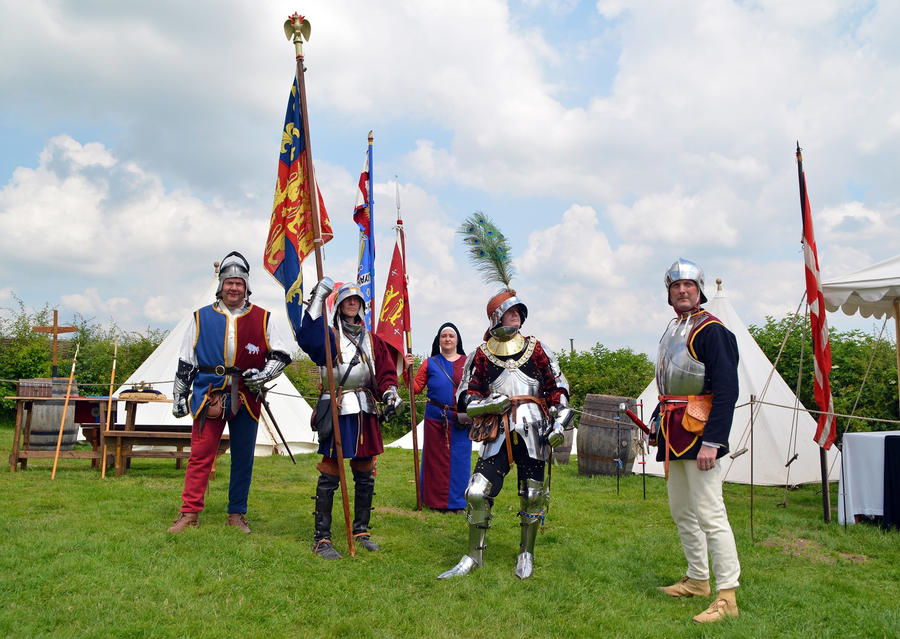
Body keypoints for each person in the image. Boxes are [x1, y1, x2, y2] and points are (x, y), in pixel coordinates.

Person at [438, 287, 572, 579]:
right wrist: (488, 402)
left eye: (518, 312)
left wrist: (559, 421)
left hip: (534, 429)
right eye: (510, 312)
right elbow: (466, 396)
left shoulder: (537, 348)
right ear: (496, 317)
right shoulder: (481, 354)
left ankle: (527, 553)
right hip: (496, 431)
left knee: (532, 494)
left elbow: (557, 387)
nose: (516, 317)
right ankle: (474, 555)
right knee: (475, 492)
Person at [167, 251, 292, 534]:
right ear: (220, 285)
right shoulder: (200, 318)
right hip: (208, 393)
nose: (234, 288)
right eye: (229, 282)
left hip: (246, 395)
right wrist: (179, 395)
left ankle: (236, 514)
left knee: (243, 457)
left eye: (239, 283)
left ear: (246, 286)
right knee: (200, 455)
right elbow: (186, 361)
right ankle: (189, 513)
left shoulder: (263, 318)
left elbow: (282, 355)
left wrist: (263, 375)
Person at [650, 258, 741, 623]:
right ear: (669, 293)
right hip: (674, 433)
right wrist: (658, 424)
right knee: (683, 512)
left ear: (699, 290)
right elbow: (669, 386)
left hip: (700, 434)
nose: (682, 290)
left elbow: (726, 389)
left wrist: (714, 441)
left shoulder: (712, 331)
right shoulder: (674, 329)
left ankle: (728, 596)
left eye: (689, 285)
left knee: (710, 513)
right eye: (676, 286)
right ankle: (698, 580)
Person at [297, 278, 401, 560]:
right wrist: (319, 296)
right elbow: (305, 337)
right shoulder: (329, 336)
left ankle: (361, 531)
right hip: (337, 406)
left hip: (365, 407)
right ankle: (322, 538)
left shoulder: (373, 340)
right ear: (339, 306)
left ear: (361, 306)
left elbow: (386, 373)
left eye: (356, 300)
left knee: (365, 473)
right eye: (346, 301)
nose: (352, 304)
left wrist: (391, 393)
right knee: (330, 472)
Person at [403, 323, 472, 511]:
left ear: (457, 340)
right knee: (435, 461)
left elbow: (476, 388)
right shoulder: (430, 363)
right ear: (438, 340)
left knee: (460, 461)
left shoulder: (468, 362)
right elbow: (414, 390)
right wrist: (406, 369)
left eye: (451, 335)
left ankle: (458, 503)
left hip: (461, 419)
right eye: (444, 336)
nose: (447, 339)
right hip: (435, 418)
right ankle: (434, 502)